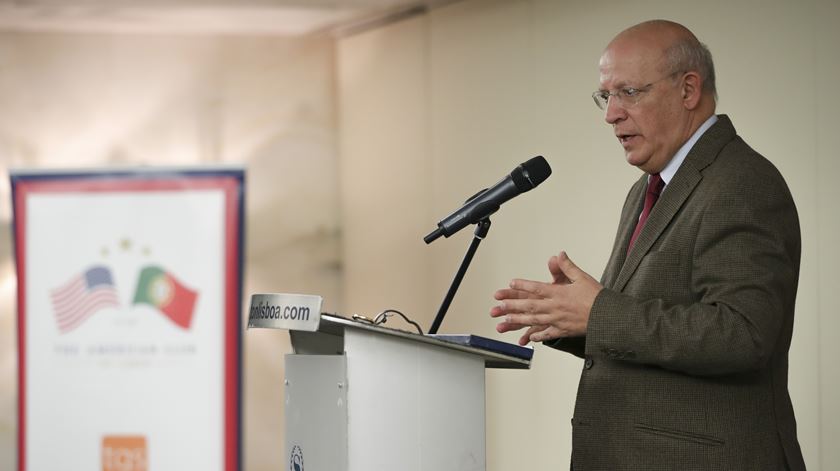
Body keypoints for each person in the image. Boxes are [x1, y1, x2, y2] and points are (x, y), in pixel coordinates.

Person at [490, 20, 805, 470]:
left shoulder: (742, 182)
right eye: (605, 96)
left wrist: (598, 312)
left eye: (628, 93)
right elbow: (649, 323)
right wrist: (576, 320)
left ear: (688, 90)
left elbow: (744, 334)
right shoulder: (648, 188)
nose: (610, 114)